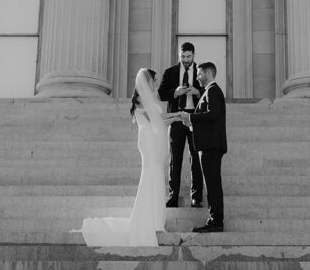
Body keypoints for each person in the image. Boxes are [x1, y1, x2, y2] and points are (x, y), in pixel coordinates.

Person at [79, 68, 172, 246]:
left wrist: (175, 117)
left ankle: (155, 219)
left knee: (156, 174)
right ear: (148, 81)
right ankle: (149, 219)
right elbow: (156, 119)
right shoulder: (141, 99)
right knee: (151, 174)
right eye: (155, 80)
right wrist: (178, 116)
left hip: (150, 138)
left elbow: (159, 119)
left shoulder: (148, 98)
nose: (157, 83)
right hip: (147, 141)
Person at [177, 61, 227, 233]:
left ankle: (215, 221)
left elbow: (212, 115)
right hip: (209, 145)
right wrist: (191, 123)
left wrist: (191, 118)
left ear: (207, 73)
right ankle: (214, 220)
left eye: (199, 74)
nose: (197, 77)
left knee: (212, 184)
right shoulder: (210, 92)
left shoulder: (212, 91)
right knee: (212, 184)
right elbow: (209, 118)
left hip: (211, 146)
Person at [157, 42, 203, 208]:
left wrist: (197, 92)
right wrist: (175, 92)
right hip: (176, 119)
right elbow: (160, 94)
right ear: (179, 55)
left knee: (196, 160)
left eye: (188, 57)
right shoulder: (170, 72)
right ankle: (173, 197)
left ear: (194, 55)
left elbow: (207, 93)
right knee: (174, 159)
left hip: (194, 119)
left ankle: (196, 197)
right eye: (182, 56)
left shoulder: (200, 71)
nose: (185, 60)